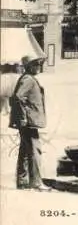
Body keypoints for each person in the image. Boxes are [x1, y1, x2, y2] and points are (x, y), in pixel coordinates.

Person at [9, 55, 51, 191]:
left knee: (25, 151)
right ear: (29, 67)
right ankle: (36, 182)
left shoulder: (28, 79)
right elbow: (17, 97)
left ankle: (22, 181)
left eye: (39, 64)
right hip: (29, 122)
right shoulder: (28, 80)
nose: (39, 67)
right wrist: (24, 117)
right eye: (36, 65)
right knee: (35, 150)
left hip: (27, 121)